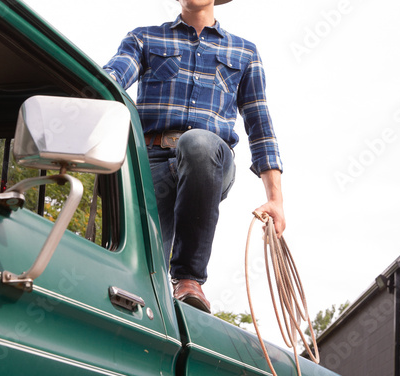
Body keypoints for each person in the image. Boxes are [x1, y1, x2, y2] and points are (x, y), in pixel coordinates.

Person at [103, 0, 285, 313]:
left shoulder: (245, 52)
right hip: (151, 162)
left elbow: (260, 125)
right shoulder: (144, 38)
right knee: (138, 280)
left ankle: (189, 277)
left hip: (211, 160)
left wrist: (275, 199)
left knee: (198, 144)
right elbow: (111, 80)